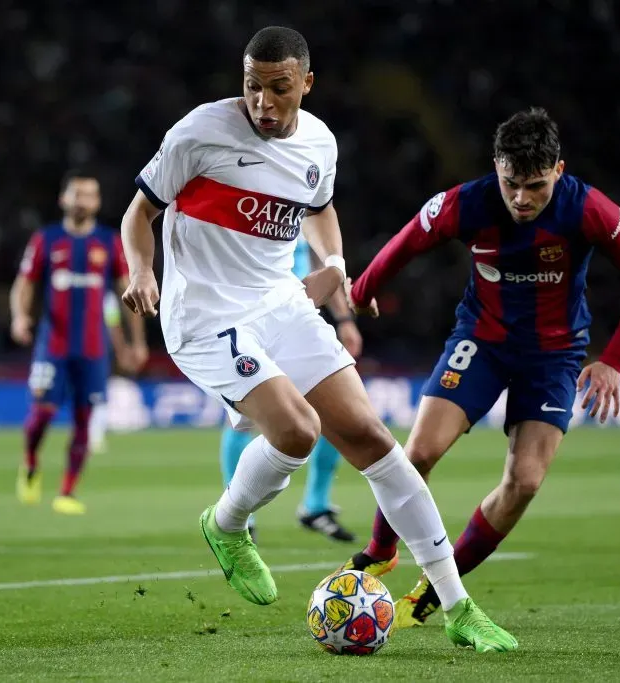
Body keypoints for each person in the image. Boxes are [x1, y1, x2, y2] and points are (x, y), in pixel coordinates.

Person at [119, 26, 517, 652]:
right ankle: (227, 524)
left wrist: (334, 263)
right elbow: (138, 212)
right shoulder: (199, 131)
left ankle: (458, 607)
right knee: (298, 431)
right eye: (252, 87)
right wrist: (142, 270)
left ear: (306, 82)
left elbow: (320, 207)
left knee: (374, 440)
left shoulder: (319, 142)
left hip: (282, 305)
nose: (263, 102)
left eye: (279, 88)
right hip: (205, 316)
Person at [341, 108, 620, 628]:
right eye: (511, 183)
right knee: (419, 452)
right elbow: (408, 240)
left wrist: (613, 360)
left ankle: (435, 589)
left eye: (535, 186)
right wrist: (362, 292)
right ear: (496, 166)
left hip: (554, 355)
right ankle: (381, 550)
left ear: (558, 170)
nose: (521, 198)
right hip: (481, 341)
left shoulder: (589, 209)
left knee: (525, 481)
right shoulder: (467, 203)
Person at [11, 170, 147, 515]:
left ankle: (67, 492)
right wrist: (20, 316)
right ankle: (30, 462)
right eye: (78, 194)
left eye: (90, 195)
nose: (84, 201)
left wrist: (137, 342)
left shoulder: (108, 242)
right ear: (64, 199)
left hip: (93, 349)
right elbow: (24, 283)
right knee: (41, 414)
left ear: (97, 202)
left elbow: (126, 291)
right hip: (52, 345)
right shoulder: (47, 239)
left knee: (85, 421)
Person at [219, 234, 361, 543]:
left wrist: (344, 320)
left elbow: (323, 268)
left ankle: (316, 505)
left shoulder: (306, 214)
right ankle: (238, 514)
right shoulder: (249, 213)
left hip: (299, 325)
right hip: (250, 324)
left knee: (336, 411)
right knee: (246, 418)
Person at [88, 291, 146, 455]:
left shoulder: (100, 296)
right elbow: (114, 326)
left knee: (95, 390)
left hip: (91, 345)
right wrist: (121, 349)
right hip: (95, 347)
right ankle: (94, 435)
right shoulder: (105, 295)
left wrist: (120, 349)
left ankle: (94, 433)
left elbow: (113, 324)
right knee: (97, 390)